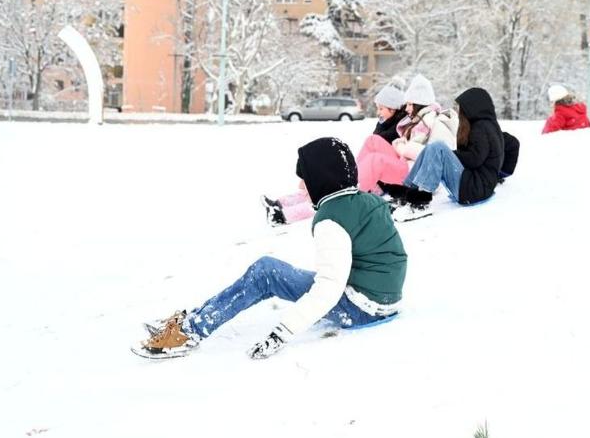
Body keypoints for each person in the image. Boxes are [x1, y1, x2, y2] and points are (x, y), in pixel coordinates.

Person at [137, 137, 408, 360]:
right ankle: (192, 320)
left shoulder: (332, 219)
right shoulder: (364, 201)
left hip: (361, 308)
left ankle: (189, 331)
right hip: (382, 300)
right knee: (268, 272)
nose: (300, 185)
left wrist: (282, 332)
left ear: (321, 177)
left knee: (265, 273)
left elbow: (329, 287)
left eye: (305, 177)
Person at [261, 85, 410, 226]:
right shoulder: (386, 123)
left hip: (378, 183)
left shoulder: (398, 128)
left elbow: (389, 156)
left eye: (381, 108)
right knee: (321, 188)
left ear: (393, 108)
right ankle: (279, 204)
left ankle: (282, 215)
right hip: (369, 175)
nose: (378, 112)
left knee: (330, 197)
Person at [383, 87, 505, 222]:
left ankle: (420, 203)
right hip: (476, 186)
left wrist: (449, 155)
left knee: (438, 148)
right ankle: (405, 193)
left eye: (462, 108)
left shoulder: (482, 128)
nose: (460, 112)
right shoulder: (487, 125)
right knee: (432, 149)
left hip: (475, 189)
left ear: (473, 107)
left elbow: (474, 159)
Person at [391, 74, 458, 161]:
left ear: (420, 105)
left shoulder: (436, 123)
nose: (406, 109)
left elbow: (437, 158)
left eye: (410, 104)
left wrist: (404, 148)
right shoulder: (418, 123)